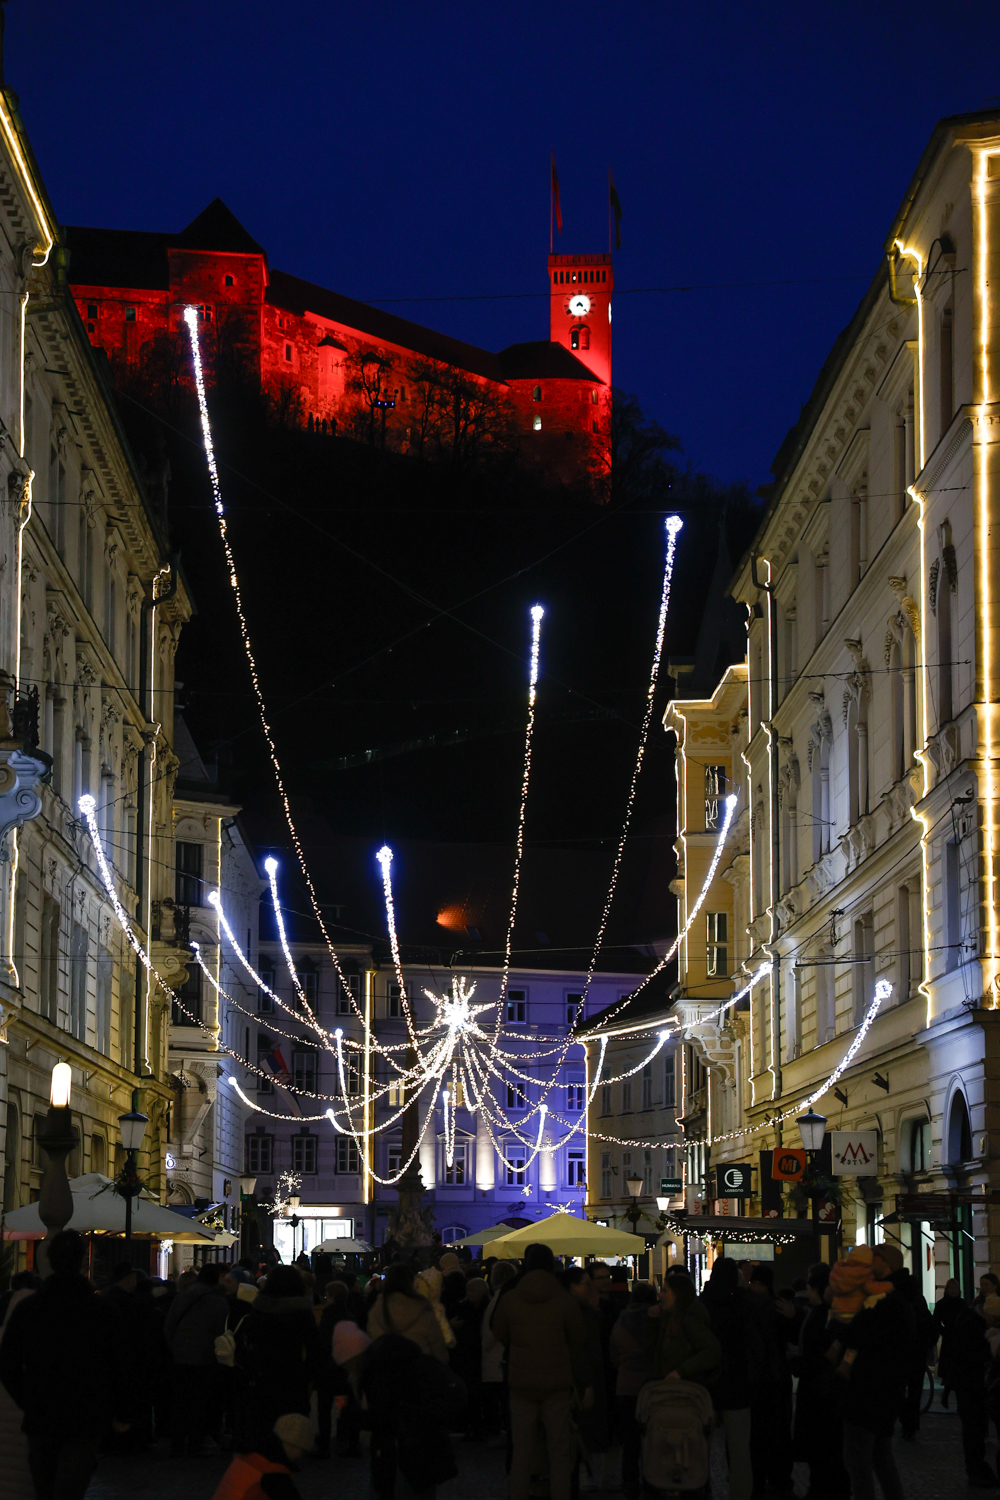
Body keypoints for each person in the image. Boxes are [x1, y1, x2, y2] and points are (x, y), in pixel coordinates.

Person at [0, 1229, 128, 1500]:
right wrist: (119, 1410)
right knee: (70, 1488)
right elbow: (118, 1365)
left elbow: (8, 1364)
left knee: (45, 1487)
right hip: (84, 1416)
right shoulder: (100, 1311)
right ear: (82, 1261)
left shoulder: (30, 1309)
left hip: (42, 1415)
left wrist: (28, 1399)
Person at [491, 1241, 587, 1500]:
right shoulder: (564, 1300)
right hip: (557, 1384)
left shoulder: (511, 1298)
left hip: (521, 1383)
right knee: (559, 1454)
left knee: (522, 1453)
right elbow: (578, 1338)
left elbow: (498, 1332)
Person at [831, 1243, 912, 1500]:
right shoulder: (897, 1297)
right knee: (880, 1458)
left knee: (858, 1461)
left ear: (885, 1264)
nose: (868, 1263)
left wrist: (840, 1325)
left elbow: (859, 1334)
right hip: (884, 1392)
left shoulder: (885, 1300)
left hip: (868, 1392)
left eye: (873, 1258)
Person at [232, 1265, 324, 1455]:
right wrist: (308, 1375)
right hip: (293, 1375)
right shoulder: (301, 1311)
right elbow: (314, 1348)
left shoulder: (259, 1309)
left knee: (265, 1425)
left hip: (263, 1375)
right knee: (291, 1429)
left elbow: (247, 1343)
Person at [792, 1264, 848, 1500]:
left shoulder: (825, 1316)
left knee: (823, 1446)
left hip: (820, 1391)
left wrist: (798, 1364)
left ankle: (823, 1490)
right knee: (824, 1447)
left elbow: (821, 1356)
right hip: (821, 1390)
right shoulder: (822, 1313)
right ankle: (824, 1488)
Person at [699, 1258, 754, 1500]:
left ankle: (700, 1490)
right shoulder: (745, 1303)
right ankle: (740, 1494)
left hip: (708, 1383)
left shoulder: (703, 1304)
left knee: (701, 1446)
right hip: (738, 1383)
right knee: (740, 1450)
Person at [164, 1260, 229, 1454]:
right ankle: (195, 1443)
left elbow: (169, 1325)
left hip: (180, 1356)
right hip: (205, 1358)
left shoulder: (182, 1296)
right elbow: (221, 1332)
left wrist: (175, 1347)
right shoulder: (218, 1302)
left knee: (180, 1401)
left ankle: (177, 1443)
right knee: (200, 1402)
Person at [746, 1263, 794, 1499]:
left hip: (758, 1379)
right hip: (775, 1379)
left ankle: (759, 1482)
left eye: (759, 1284)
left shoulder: (748, 1306)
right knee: (777, 1433)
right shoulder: (777, 1308)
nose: (756, 1288)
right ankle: (778, 1481)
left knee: (758, 1435)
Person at [609, 1280, 657, 1500]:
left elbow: (613, 1356)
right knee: (653, 1439)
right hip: (653, 1386)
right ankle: (654, 1481)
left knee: (630, 1442)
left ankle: (629, 1483)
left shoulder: (621, 1323)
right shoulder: (657, 1321)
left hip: (626, 1386)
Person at [565, 1268, 609, 1490]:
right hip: (584, 1380)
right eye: (585, 1283)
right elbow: (582, 1351)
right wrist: (588, 1384)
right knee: (585, 1428)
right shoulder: (578, 1314)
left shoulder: (581, 1310)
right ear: (572, 1287)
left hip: (585, 1378)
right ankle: (586, 1477)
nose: (590, 1287)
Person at [950, 1283, 998, 1486]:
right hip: (971, 1387)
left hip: (970, 1386)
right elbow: (969, 1359)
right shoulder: (974, 1327)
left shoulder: (972, 1322)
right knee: (974, 1429)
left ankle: (978, 1468)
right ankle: (976, 1470)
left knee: (975, 1429)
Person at [211, 1411, 311, 1500]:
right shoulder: (273, 1471)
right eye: (302, 1449)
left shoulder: (251, 1456)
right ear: (291, 1445)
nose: (301, 1455)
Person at [888, 1257, 935, 1438]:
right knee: (915, 1391)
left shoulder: (898, 1302)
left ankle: (905, 1419)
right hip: (917, 1354)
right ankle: (911, 1425)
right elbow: (929, 1327)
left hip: (901, 1355)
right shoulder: (919, 1302)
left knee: (898, 1390)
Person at [367, 1263, 450, 1362]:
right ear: (413, 1282)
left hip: (386, 1369)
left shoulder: (375, 1312)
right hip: (420, 1369)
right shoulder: (424, 1312)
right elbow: (440, 1356)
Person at [481, 1260, 516, 1437]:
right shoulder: (510, 1296)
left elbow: (492, 1328)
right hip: (503, 1356)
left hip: (496, 1357)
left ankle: (500, 1433)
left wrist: (485, 1345)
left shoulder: (499, 1298)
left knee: (499, 1400)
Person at [934, 1277, 965, 1408]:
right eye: (951, 1288)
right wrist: (945, 1332)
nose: (953, 1290)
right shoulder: (941, 1304)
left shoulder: (962, 1304)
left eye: (955, 1288)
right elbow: (936, 1322)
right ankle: (947, 1396)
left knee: (957, 1371)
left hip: (961, 1340)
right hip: (949, 1340)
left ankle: (950, 1397)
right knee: (951, 1370)